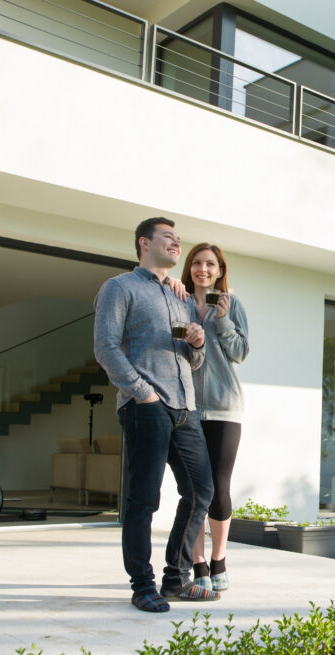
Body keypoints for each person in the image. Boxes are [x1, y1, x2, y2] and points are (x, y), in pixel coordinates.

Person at [93, 217, 220, 612]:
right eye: (169, 236)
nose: (176, 243)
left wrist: (197, 342)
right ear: (144, 243)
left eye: (178, 238)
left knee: (201, 492)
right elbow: (106, 347)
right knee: (143, 499)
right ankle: (142, 585)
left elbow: (192, 360)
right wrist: (142, 393)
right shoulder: (120, 288)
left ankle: (175, 579)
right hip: (145, 406)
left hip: (185, 408)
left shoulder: (182, 298)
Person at [178, 243, 249, 592]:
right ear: (189, 268)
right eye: (196, 262)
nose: (202, 269)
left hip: (224, 408)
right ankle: (198, 563)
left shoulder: (232, 305)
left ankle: (219, 558)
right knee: (195, 490)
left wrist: (221, 320)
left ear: (220, 270)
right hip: (187, 407)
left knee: (219, 488)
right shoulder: (178, 301)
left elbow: (240, 353)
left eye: (210, 264)